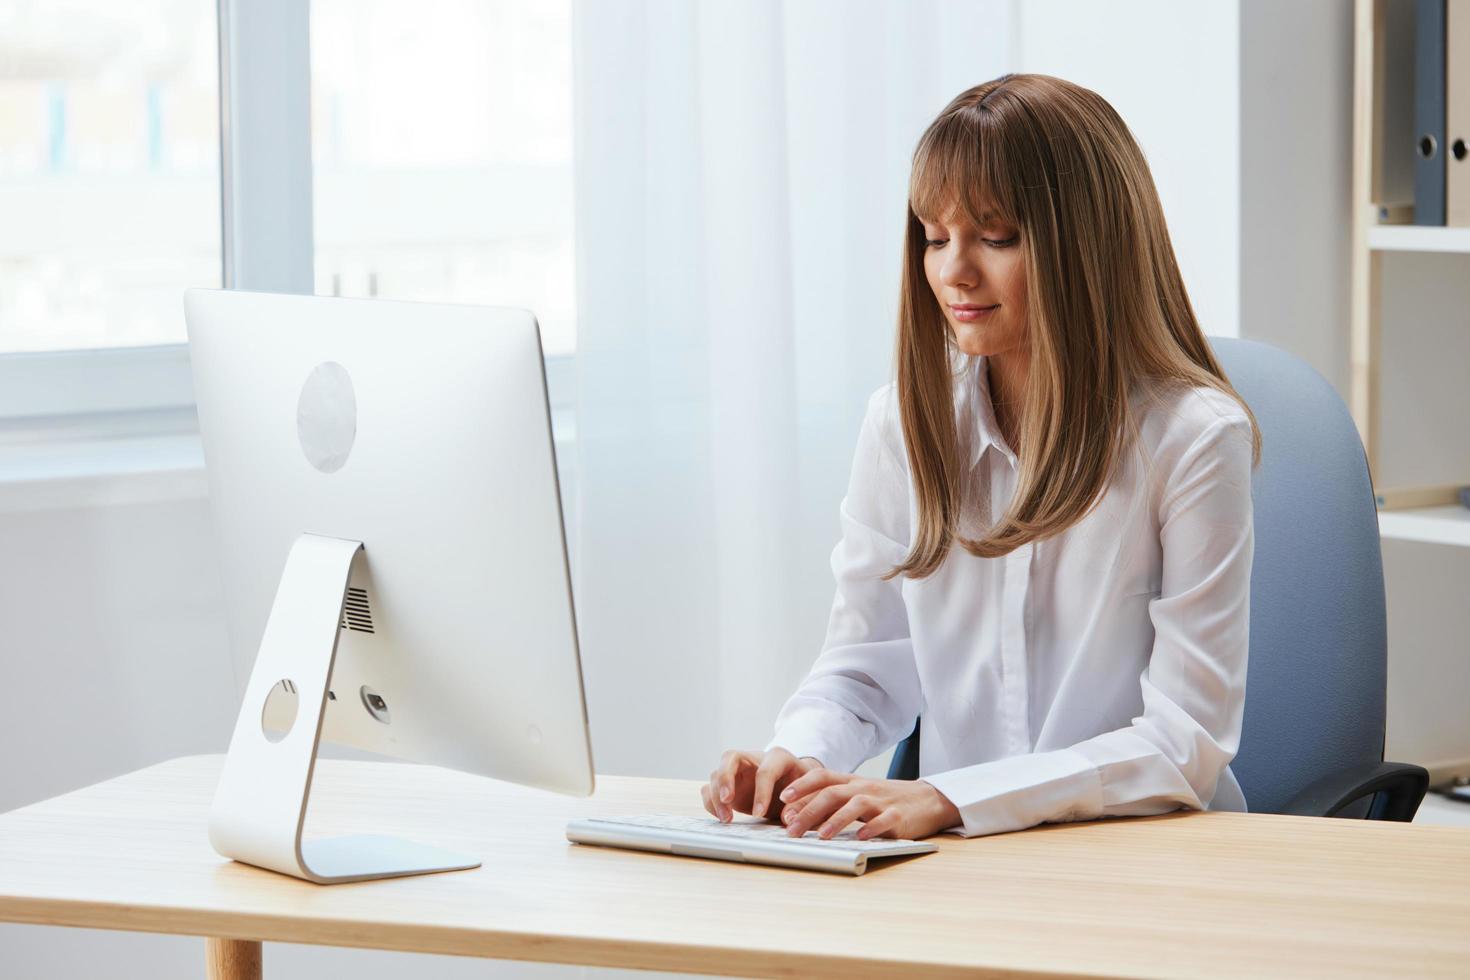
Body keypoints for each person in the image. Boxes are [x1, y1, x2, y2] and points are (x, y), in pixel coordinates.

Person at [700, 73, 1262, 842]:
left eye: (996, 238)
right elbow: (867, 663)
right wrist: (796, 759)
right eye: (934, 237)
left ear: (1087, 245)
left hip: (1144, 856)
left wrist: (953, 798)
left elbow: (1183, 744)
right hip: (959, 861)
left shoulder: (1193, 439)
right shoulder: (903, 422)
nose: (954, 271)